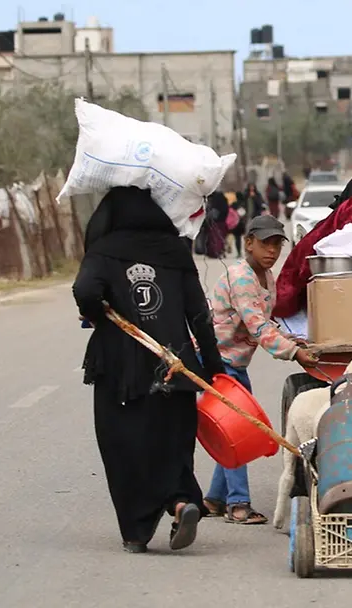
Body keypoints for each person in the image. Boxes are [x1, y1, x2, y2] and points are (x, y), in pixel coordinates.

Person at [73, 186, 225, 554]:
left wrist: (98, 312)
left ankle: (136, 532)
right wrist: (213, 368)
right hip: (175, 367)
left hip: (121, 372)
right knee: (173, 444)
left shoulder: (104, 251)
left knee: (123, 446)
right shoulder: (175, 251)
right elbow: (200, 315)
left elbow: (85, 290)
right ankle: (180, 502)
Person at [203, 215, 319, 524]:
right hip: (217, 361)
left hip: (235, 362)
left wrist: (293, 339)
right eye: (265, 244)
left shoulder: (265, 276)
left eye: (277, 245)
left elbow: (267, 322)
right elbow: (257, 326)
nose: (272, 251)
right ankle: (238, 504)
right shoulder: (242, 277)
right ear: (248, 243)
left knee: (236, 426)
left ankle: (214, 499)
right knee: (236, 429)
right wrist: (294, 352)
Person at [232, 184, 266, 257]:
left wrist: (254, 197)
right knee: (247, 235)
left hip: (256, 217)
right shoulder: (245, 195)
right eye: (250, 187)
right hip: (246, 218)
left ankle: (256, 250)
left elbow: (260, 205)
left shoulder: (257, 195)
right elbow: (241, 204)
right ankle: (247, 250)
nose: (251, 188)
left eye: (253, 187)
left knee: (256, 235)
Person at [204, 192, 230, 258]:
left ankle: (214, 252)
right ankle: (219, 251)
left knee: (214, 237)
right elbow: (226, 211)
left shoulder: (214, 202)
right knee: (220, 237)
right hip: (222, 222)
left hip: (215, 222)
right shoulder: (224, 202)